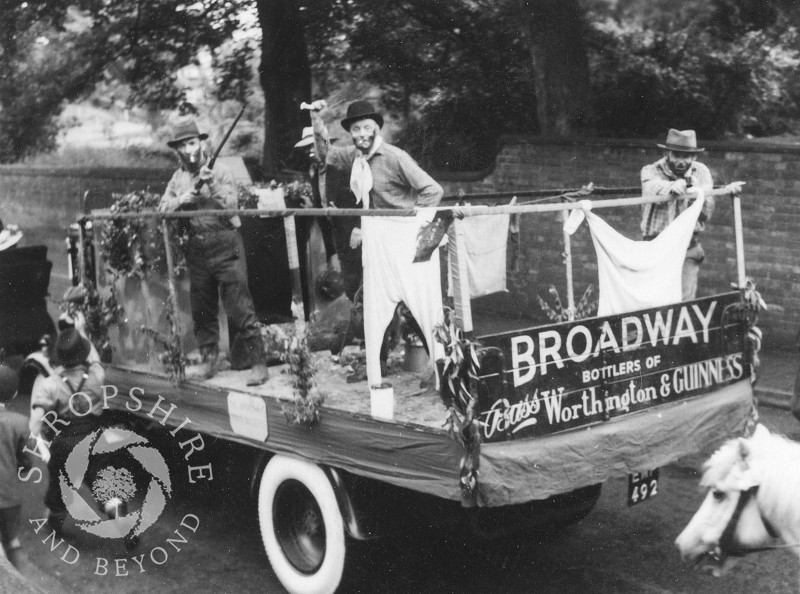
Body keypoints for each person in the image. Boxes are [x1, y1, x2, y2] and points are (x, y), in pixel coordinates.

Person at [307, 99, 445, 387]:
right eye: (356, 129)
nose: (361, 134)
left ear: (376, 129)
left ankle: (442, 367)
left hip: (405, 242)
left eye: (367, 127)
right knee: (373, 304)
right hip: (378, 243)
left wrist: (417, 225)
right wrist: (316, 119)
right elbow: (325, 154)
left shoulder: (395, 158)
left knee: (418, 304)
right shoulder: (354, 159)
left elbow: (433, 190)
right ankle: (377, 367)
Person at [159, 118, 268, 385]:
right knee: (202, 308)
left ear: (201, 143)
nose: (189, 149)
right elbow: (162, 209)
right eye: (183, 145)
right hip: (197, 248)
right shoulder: (178, 178)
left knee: (239, 305)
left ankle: (258, 364)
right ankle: (209, 362)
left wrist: (212, 186)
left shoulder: (219, 170)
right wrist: (182, 200)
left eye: (192, 142)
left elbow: (232, 207)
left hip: (225, 242)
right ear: (178, 150)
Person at [640, 129, 744, 301]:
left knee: (683, 303)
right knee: (653, 302)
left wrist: (697, 193)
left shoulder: (701, 172)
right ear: (667, 153)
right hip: (655, 247)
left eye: (686, 156)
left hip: (688, 248)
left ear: (694, 157)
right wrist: (671, 188)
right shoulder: (651, 170)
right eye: (676, 155)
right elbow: (649, 188)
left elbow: (706, 213)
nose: (681, 161)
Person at [29, 328, 104, 535]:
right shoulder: (97, 375)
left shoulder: (50, 385)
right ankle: (114, 505)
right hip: (95, 437)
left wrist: (40, 443)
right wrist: (81, 331)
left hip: (66, 442)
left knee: (60, 485)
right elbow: (95, 359)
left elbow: (35, 422)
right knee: (100, 478)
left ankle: (55, 524)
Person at [0, 364, 32, 570]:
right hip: (10, 494)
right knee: (12, 541)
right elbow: (26, 460)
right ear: (13, 394)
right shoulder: (20, 422)